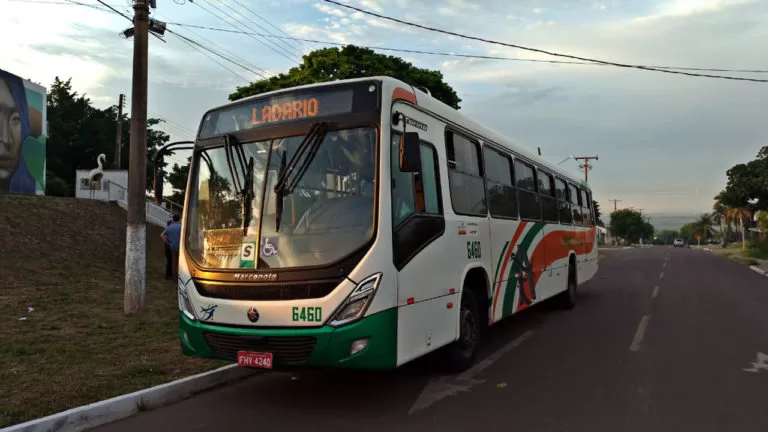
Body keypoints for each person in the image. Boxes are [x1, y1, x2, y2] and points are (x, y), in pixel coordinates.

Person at [161, 214, 182, 281]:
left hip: (172, 246)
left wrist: (167, 242)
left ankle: (174, 277)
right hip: (180, 246)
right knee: (179, 263)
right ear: (179, 219)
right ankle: (179, 276)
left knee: (173, 262)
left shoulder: (169, 227)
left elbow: (161, 235)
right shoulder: (181, 227)